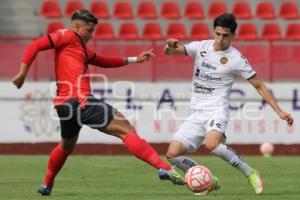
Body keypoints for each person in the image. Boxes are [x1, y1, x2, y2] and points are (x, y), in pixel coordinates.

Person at [12, 9, 184, 196]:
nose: (91, 35)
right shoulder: (66, 35)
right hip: (81, 99)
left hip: (64, 105)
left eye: (93, 31)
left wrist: (135, 59)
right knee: (126, 129)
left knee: (65, 146)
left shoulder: (80, 48)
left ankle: (46, 185)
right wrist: (22, 73)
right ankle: (165, 168)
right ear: (76, 26)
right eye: (89, 30)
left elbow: (103, 61)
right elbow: (36, 45)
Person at [158, 13, 294, 195]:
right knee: (172, 154)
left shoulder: (236, 58)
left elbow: (259, 85)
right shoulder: (200, 47)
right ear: (213, 32)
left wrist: (279, 111)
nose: (220, 39)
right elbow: (170, 52)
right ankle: (207, 179)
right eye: (218, 34)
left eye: (225, 35)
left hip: (217, 109)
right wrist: (169, 46)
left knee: (212, 144)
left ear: (233, 36)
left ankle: (250, 172)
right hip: (196, 112)